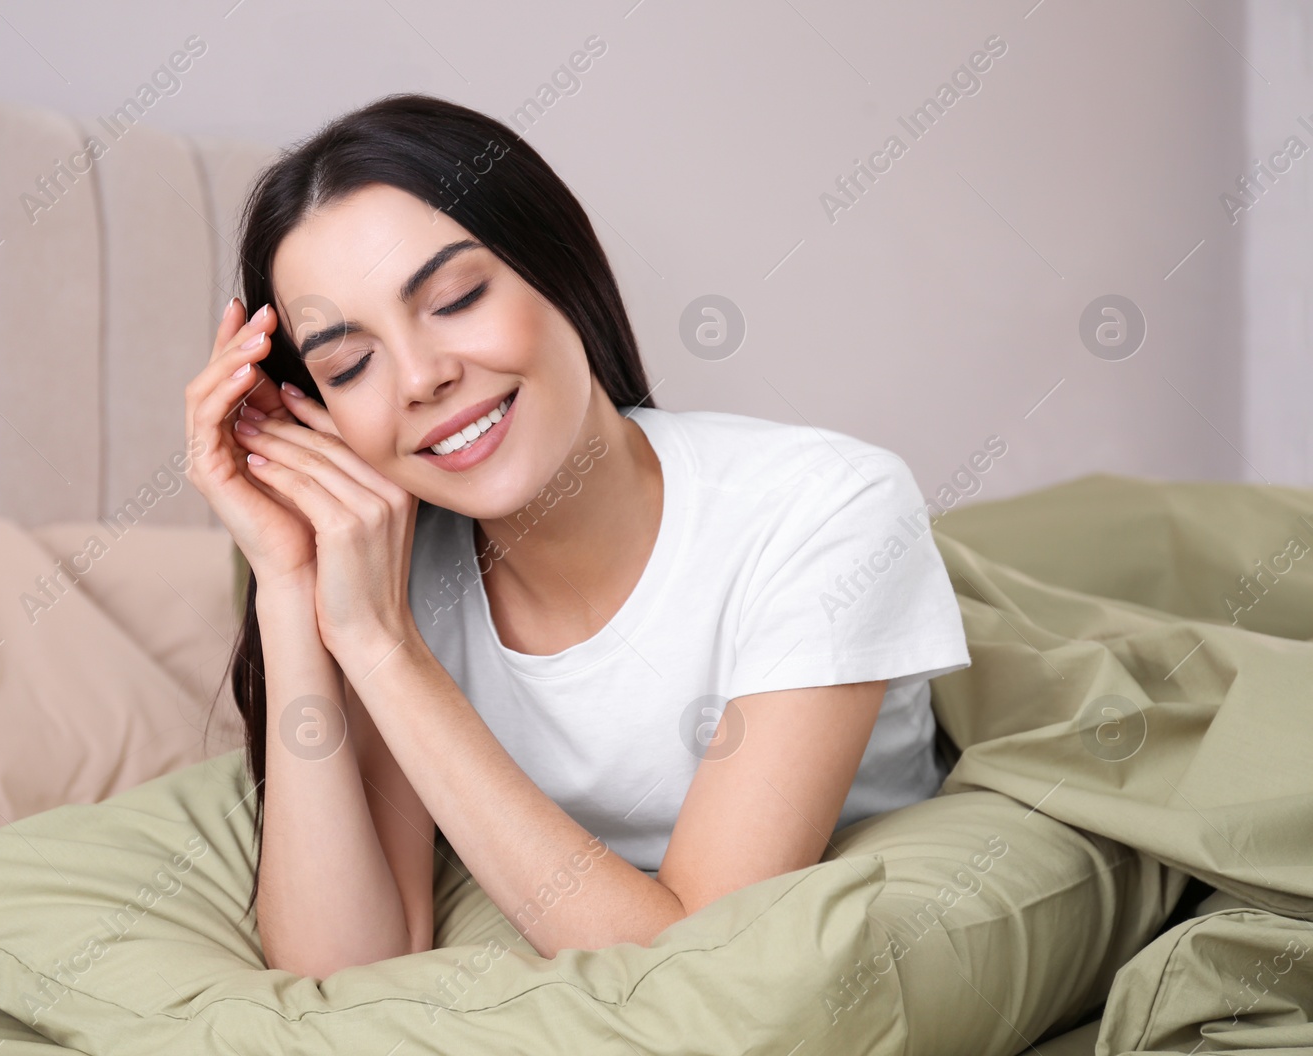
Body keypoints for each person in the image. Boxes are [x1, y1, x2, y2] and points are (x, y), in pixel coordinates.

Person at [183, 92, 970, 982]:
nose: (422, 377)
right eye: (348, 364)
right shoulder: (389, 572)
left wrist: (387, 647)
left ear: (560, 268)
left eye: (455, 298)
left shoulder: (826, 508)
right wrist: (293, 579)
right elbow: (340, 961)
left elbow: (695, 972)